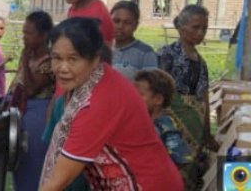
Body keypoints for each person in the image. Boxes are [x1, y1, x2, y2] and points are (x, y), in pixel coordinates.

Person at [40, 17, 183, 191]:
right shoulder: (96, 80)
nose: (62, 68)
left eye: (73, 59)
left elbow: (58, 181)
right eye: (57, 58)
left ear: (95, 59)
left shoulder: (96, 103)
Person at [157, 4, 219, 189]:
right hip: (170, 127)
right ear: (181, 27)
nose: (200, 33)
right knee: (170, 169)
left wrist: (207, 133)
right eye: (195, 27)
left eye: (204, 28)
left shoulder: (201, 62)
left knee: (190, 170)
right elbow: (157, 90)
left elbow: (204, 99)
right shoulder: (167, 55)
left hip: (195, 131)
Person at [7, 10, 55, 191]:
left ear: (43, 35)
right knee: (18, 164)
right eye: (23, 32)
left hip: (37, 119)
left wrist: (25, 62)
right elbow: (16, 83)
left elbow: (32, 89)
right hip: (20, 116)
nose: (24, 37)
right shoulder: (28, 55)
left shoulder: (49, 61)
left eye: (29, 33)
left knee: (33, 166)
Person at [134, 69, 194, 190]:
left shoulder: (165, 125)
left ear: (158, 99)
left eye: (139, 95)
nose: (133, 98)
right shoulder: (144, 122)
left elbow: (182, 157)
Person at [110, 0, 157, 80]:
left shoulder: (145, 53)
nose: (120, 26)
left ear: (136, 25)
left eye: (127, 22)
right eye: (116, 21)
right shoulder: (99, 49)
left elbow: (149, 87)